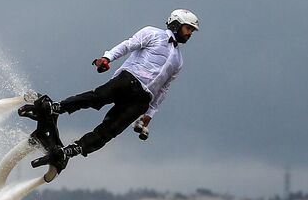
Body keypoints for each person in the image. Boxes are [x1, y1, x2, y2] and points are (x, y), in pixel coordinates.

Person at [23, 9, 199, 167]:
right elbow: (128, 45)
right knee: (97, 97)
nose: (190, 33)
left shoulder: (178, 60)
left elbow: (164, 89)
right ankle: (56, 108)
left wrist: (149, 114)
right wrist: (107, 58)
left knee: (110, 130)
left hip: (142, 101)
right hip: (129, 80)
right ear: (176, 24)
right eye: (188, 28)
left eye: (191, 30)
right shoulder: (152, 33)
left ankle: (70, 151)